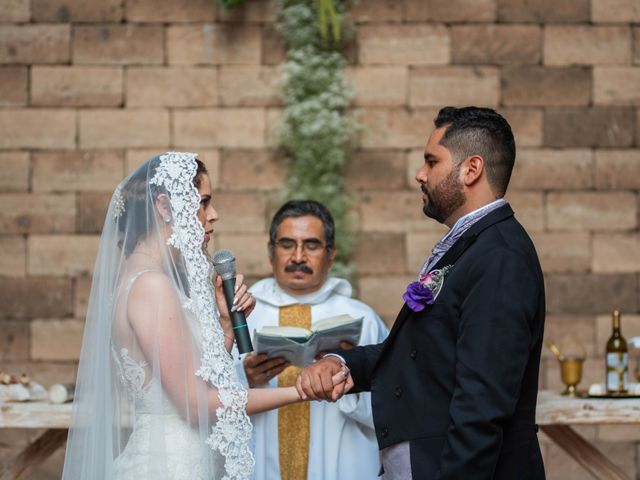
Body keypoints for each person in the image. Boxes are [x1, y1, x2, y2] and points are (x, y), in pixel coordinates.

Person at [61, 153, 348, 480]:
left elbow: (198, 380)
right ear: (166, 207)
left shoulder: (151, 279)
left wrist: (226, 327)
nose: (213, 216)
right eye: (204, 202)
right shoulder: (151, 285)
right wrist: (302, 390)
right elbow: (195, 406)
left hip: (191, 460)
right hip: (167, 467)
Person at [297, 107, 547, 479]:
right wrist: (345, 363)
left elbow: (481, 406)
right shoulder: (473, 245)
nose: (420, 174)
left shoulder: (500, 258)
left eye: (432, 161)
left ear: (471, 169)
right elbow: (423, 354)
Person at [236, 200, 388, 480]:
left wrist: (352, 375)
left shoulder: (363, 320)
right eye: (286, 244)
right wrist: (245, 379)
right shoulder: (242, 318)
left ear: (331, 254)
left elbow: (394, 408)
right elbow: (203, 402)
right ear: (271, 253)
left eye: (311, 245)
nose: (298, 256)